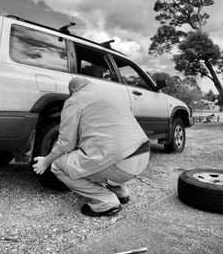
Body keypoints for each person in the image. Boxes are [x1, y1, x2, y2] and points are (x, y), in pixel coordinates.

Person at [32, 77, 150, 217]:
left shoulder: (75, 99)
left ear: (73, 89)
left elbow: (66, 143)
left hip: (119, 164)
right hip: (142, 156)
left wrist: (46, 161)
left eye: (70, 93)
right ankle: (121, 192)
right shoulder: (108, 95)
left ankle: (105, 202)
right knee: (106, 152)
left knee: (57, 166)